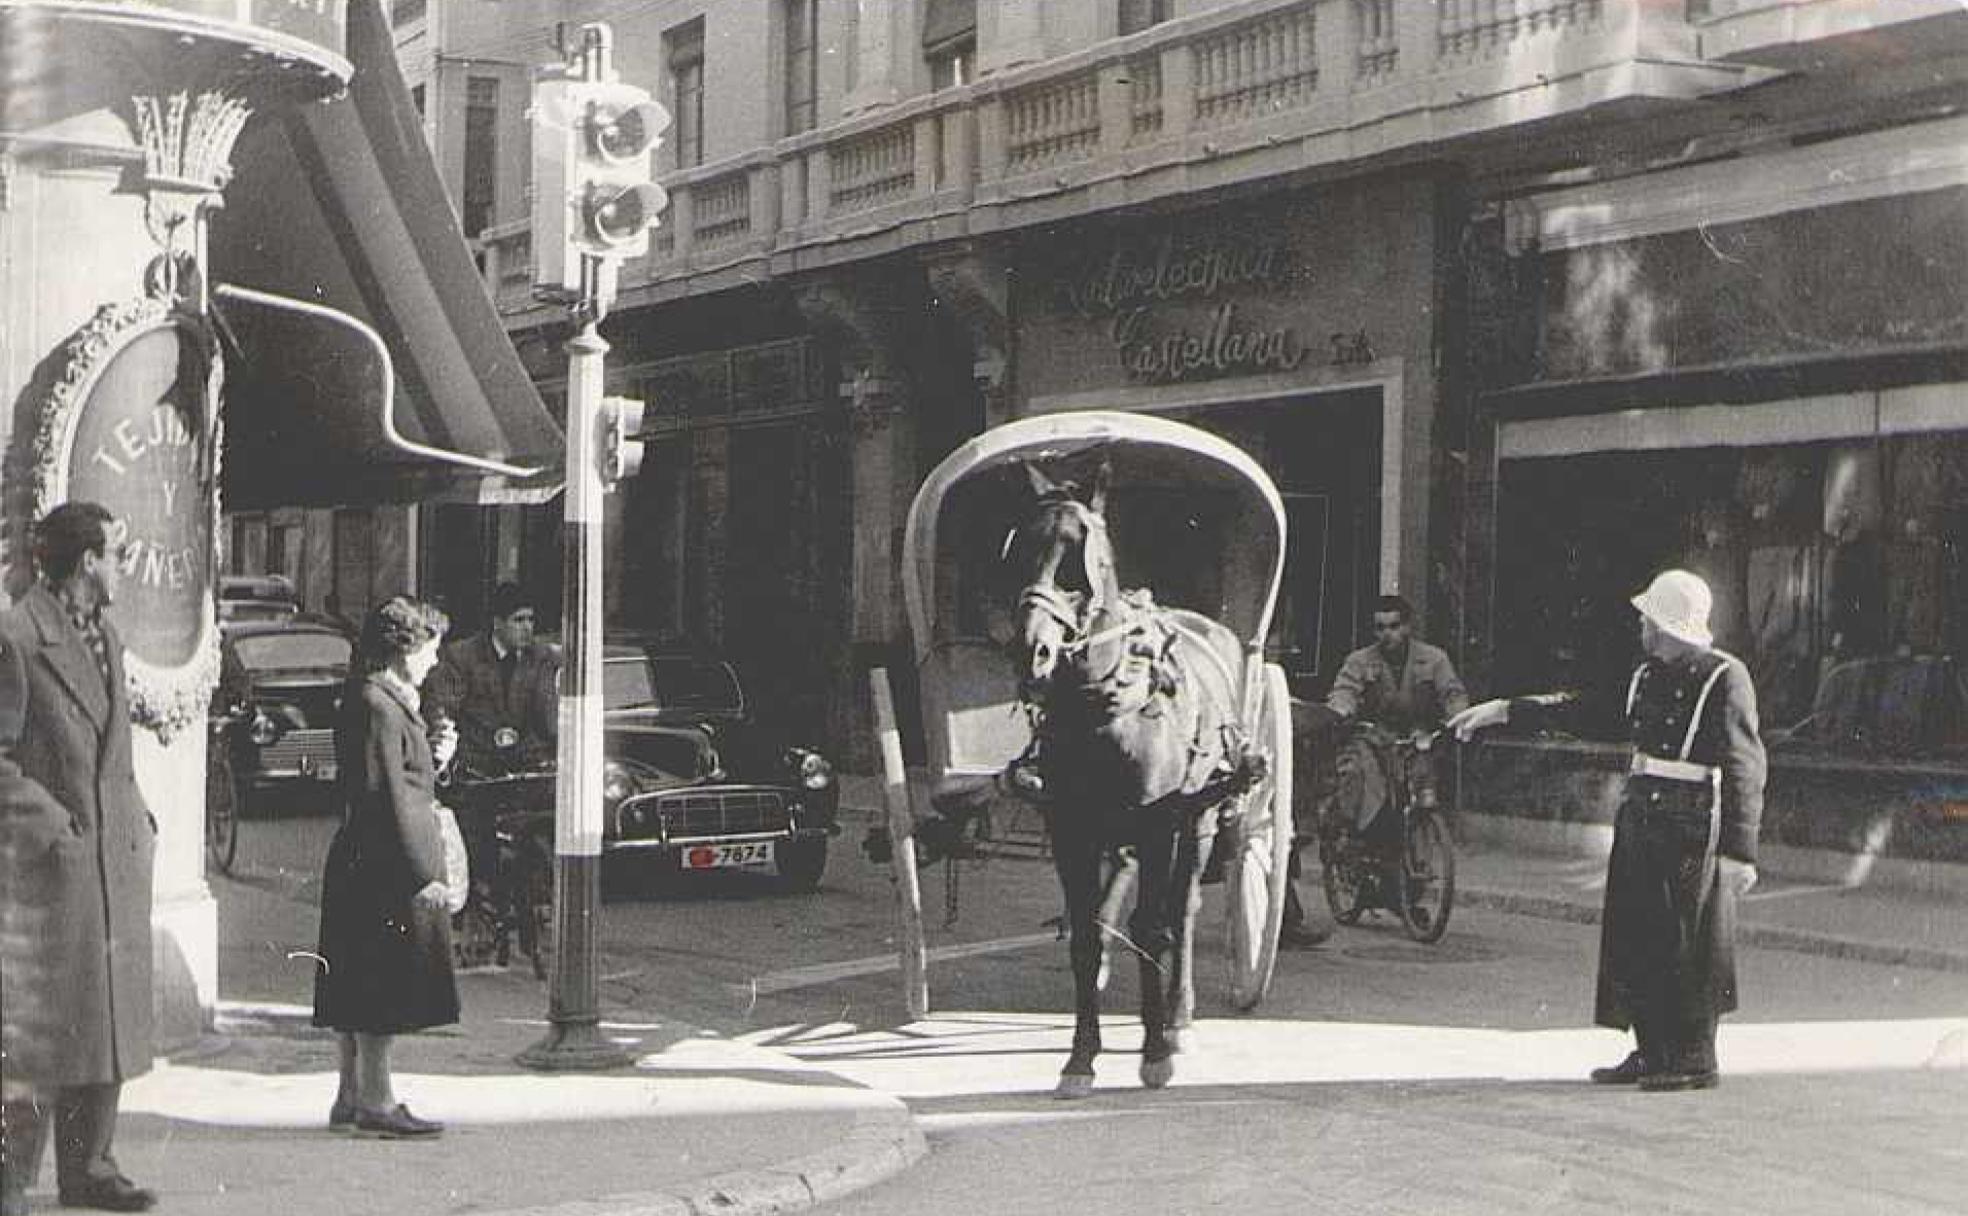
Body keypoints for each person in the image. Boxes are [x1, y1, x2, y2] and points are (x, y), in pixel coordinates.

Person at [1449, 569, 1766, 1092]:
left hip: (1691, 821)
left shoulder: (1723, 676)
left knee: (1687, 941)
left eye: (1648, 618)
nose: (1641, 626)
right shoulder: (1645, 674)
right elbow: (1588, 709)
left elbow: (1745, 766)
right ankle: (1651, 1048)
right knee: (1637, 932)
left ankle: (1693, 1057)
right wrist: (1506, 711)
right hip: (1641, 815)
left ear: (1665, 625)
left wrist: (1739, 852)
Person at [0, 503, 158, 1215]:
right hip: (54, 866)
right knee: (42, 1028)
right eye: (116, 553)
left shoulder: (105, 635)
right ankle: (11, 1178)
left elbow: (110, 749)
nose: (123, 566)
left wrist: (140, 818)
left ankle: (90, 1166)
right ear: (85, 561)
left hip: (112, 857)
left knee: (105, 1020)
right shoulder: (15, 637)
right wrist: (50, 826)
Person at [312, 597, 459, 1138]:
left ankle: (351, 1095)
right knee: (381, 986)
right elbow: (388, 797)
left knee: (354, 983)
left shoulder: (374, 699)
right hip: (384, 866)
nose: (432, 662)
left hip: (363, 862)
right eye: (428, 650)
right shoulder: (379, 704)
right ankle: (376, 1098)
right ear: (403, 649)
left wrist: (433, 757)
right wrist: (424, 873)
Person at [1281, 595, 1469, 948]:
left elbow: (1453, 693)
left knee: (1422, 794)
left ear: (1409, 626)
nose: (1387, 634)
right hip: (1371, 738)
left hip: (1418, 739)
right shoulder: (1359, 661)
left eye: (1395, 626)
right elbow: (1343, 694)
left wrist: (1458, 718)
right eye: (1380, 627)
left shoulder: (1434, 658)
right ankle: (1354, 842)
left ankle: (1409, 882)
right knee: (1363, 783)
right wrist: (1339, 710)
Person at [423, 582, 558, 777]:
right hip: (474, 764)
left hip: (527, 763)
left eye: (531, 619)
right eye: (518, 620)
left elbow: (547, 715)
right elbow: (442, 711)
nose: (527, 627)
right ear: (497, 623)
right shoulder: (462, 656)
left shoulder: (541, 657)